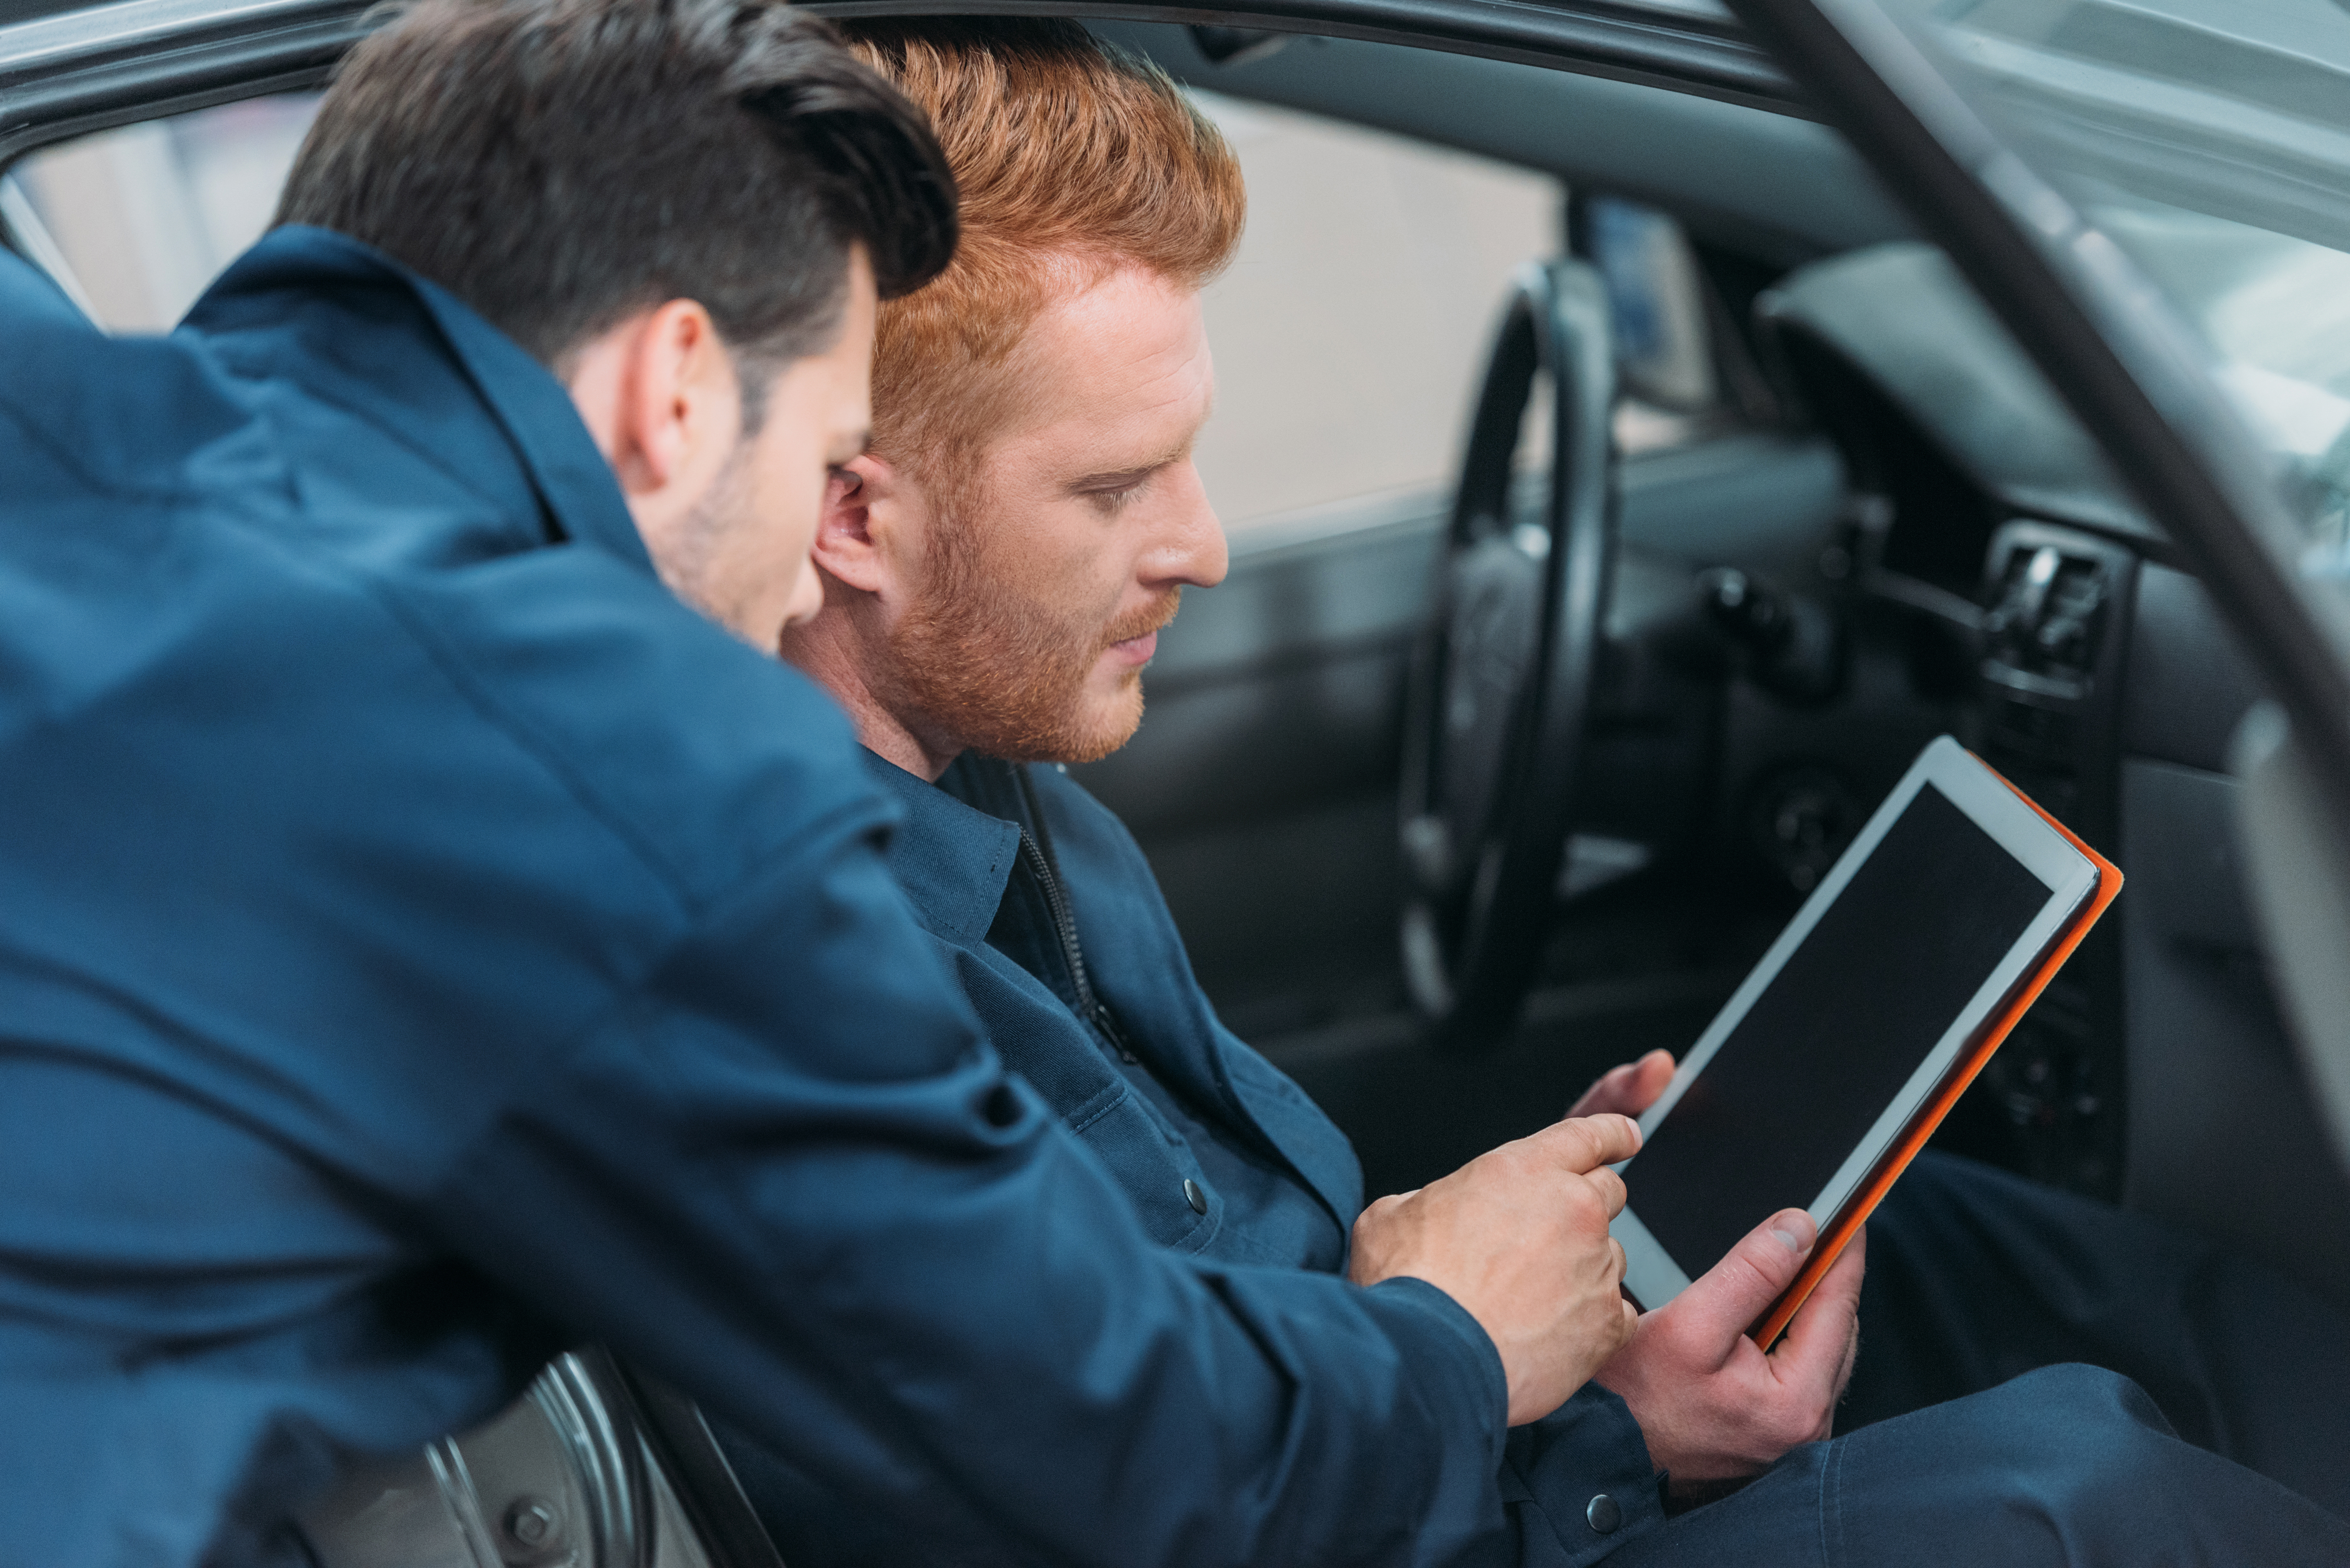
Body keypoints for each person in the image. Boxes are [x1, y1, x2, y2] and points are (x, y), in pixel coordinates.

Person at [0, 3, 1654, 1563]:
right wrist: (1462, 1342)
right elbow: (1127, 1442)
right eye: (816, 461)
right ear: (673, 394)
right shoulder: (615, 781)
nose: (803, 583)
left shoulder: (47, 407)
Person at [763, 15, 2350, 1564]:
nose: (1204, 546)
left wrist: (1508, 1267)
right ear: (851, 515)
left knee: (1917, 1234)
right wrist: (1600, 1437)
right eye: (1112, 489)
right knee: (2077, 1494)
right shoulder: (816, 1015)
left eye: (1183, 458)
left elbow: (1206, 1298)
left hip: (1392, 1434)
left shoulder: (1003, 781)